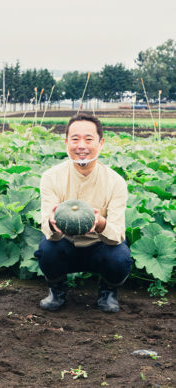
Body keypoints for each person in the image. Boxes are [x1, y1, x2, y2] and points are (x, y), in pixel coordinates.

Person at [34, 114, 132, 313]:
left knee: (120, 256)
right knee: (46, 249)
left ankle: (108, 291)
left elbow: (117, 234)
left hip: (100, 247)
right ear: (66, 142)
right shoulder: (51, 178)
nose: (81, 145)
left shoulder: (116, 182)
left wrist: (101, 223)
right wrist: (53, 223)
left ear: (101, 143)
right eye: (75, 139)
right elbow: (46, 224)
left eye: (89, 139)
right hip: (66, 245)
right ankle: (57, 290)